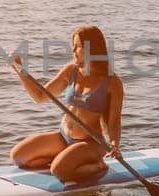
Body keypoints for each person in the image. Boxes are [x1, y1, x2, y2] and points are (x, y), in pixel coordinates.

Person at [10, 26, 125, 185]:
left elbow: (114, 122)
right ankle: (66, 158)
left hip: (91, 143)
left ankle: (98, 166)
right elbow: (40, 96)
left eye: (77, 46)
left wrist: (114, 144)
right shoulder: (71, 71)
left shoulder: (112, 83)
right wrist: (20, 70)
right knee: (18, 156)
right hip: (63, 136)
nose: (73, 49)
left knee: (59, 171)